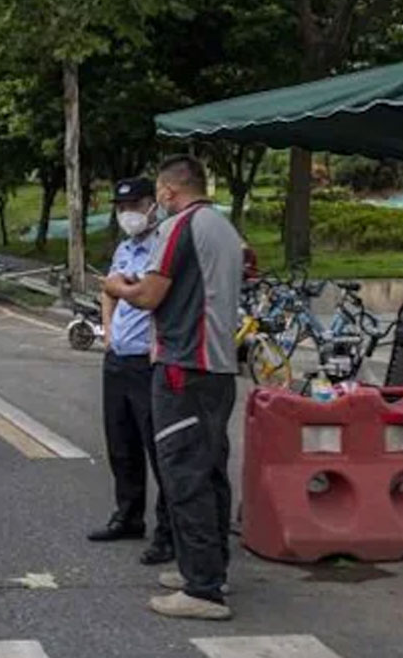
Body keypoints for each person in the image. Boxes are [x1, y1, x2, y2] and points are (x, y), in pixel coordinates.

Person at [104, 155, 242, 621]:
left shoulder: (180, 226)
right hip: (219, 367)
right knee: (211, 471)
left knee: (184, 473)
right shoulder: (223, 227)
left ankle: (202, 589)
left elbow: (149, 295)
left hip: (184, 364)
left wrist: (118, 287)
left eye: (159, 194)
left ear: (167, 192)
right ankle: (208, 569)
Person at [89, 178, 174, 568]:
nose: (129, 214)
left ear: (153, 205)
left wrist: (123, 290)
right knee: (121, 444)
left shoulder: (164, 247)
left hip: (147, 361)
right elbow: (108, 289)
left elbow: (150, 296)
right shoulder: (126, 248)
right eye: (122, 207)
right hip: (118, 358)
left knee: (159, 449)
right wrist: (108, 333)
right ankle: (128, 515)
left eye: (136, 205)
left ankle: (168, 532)